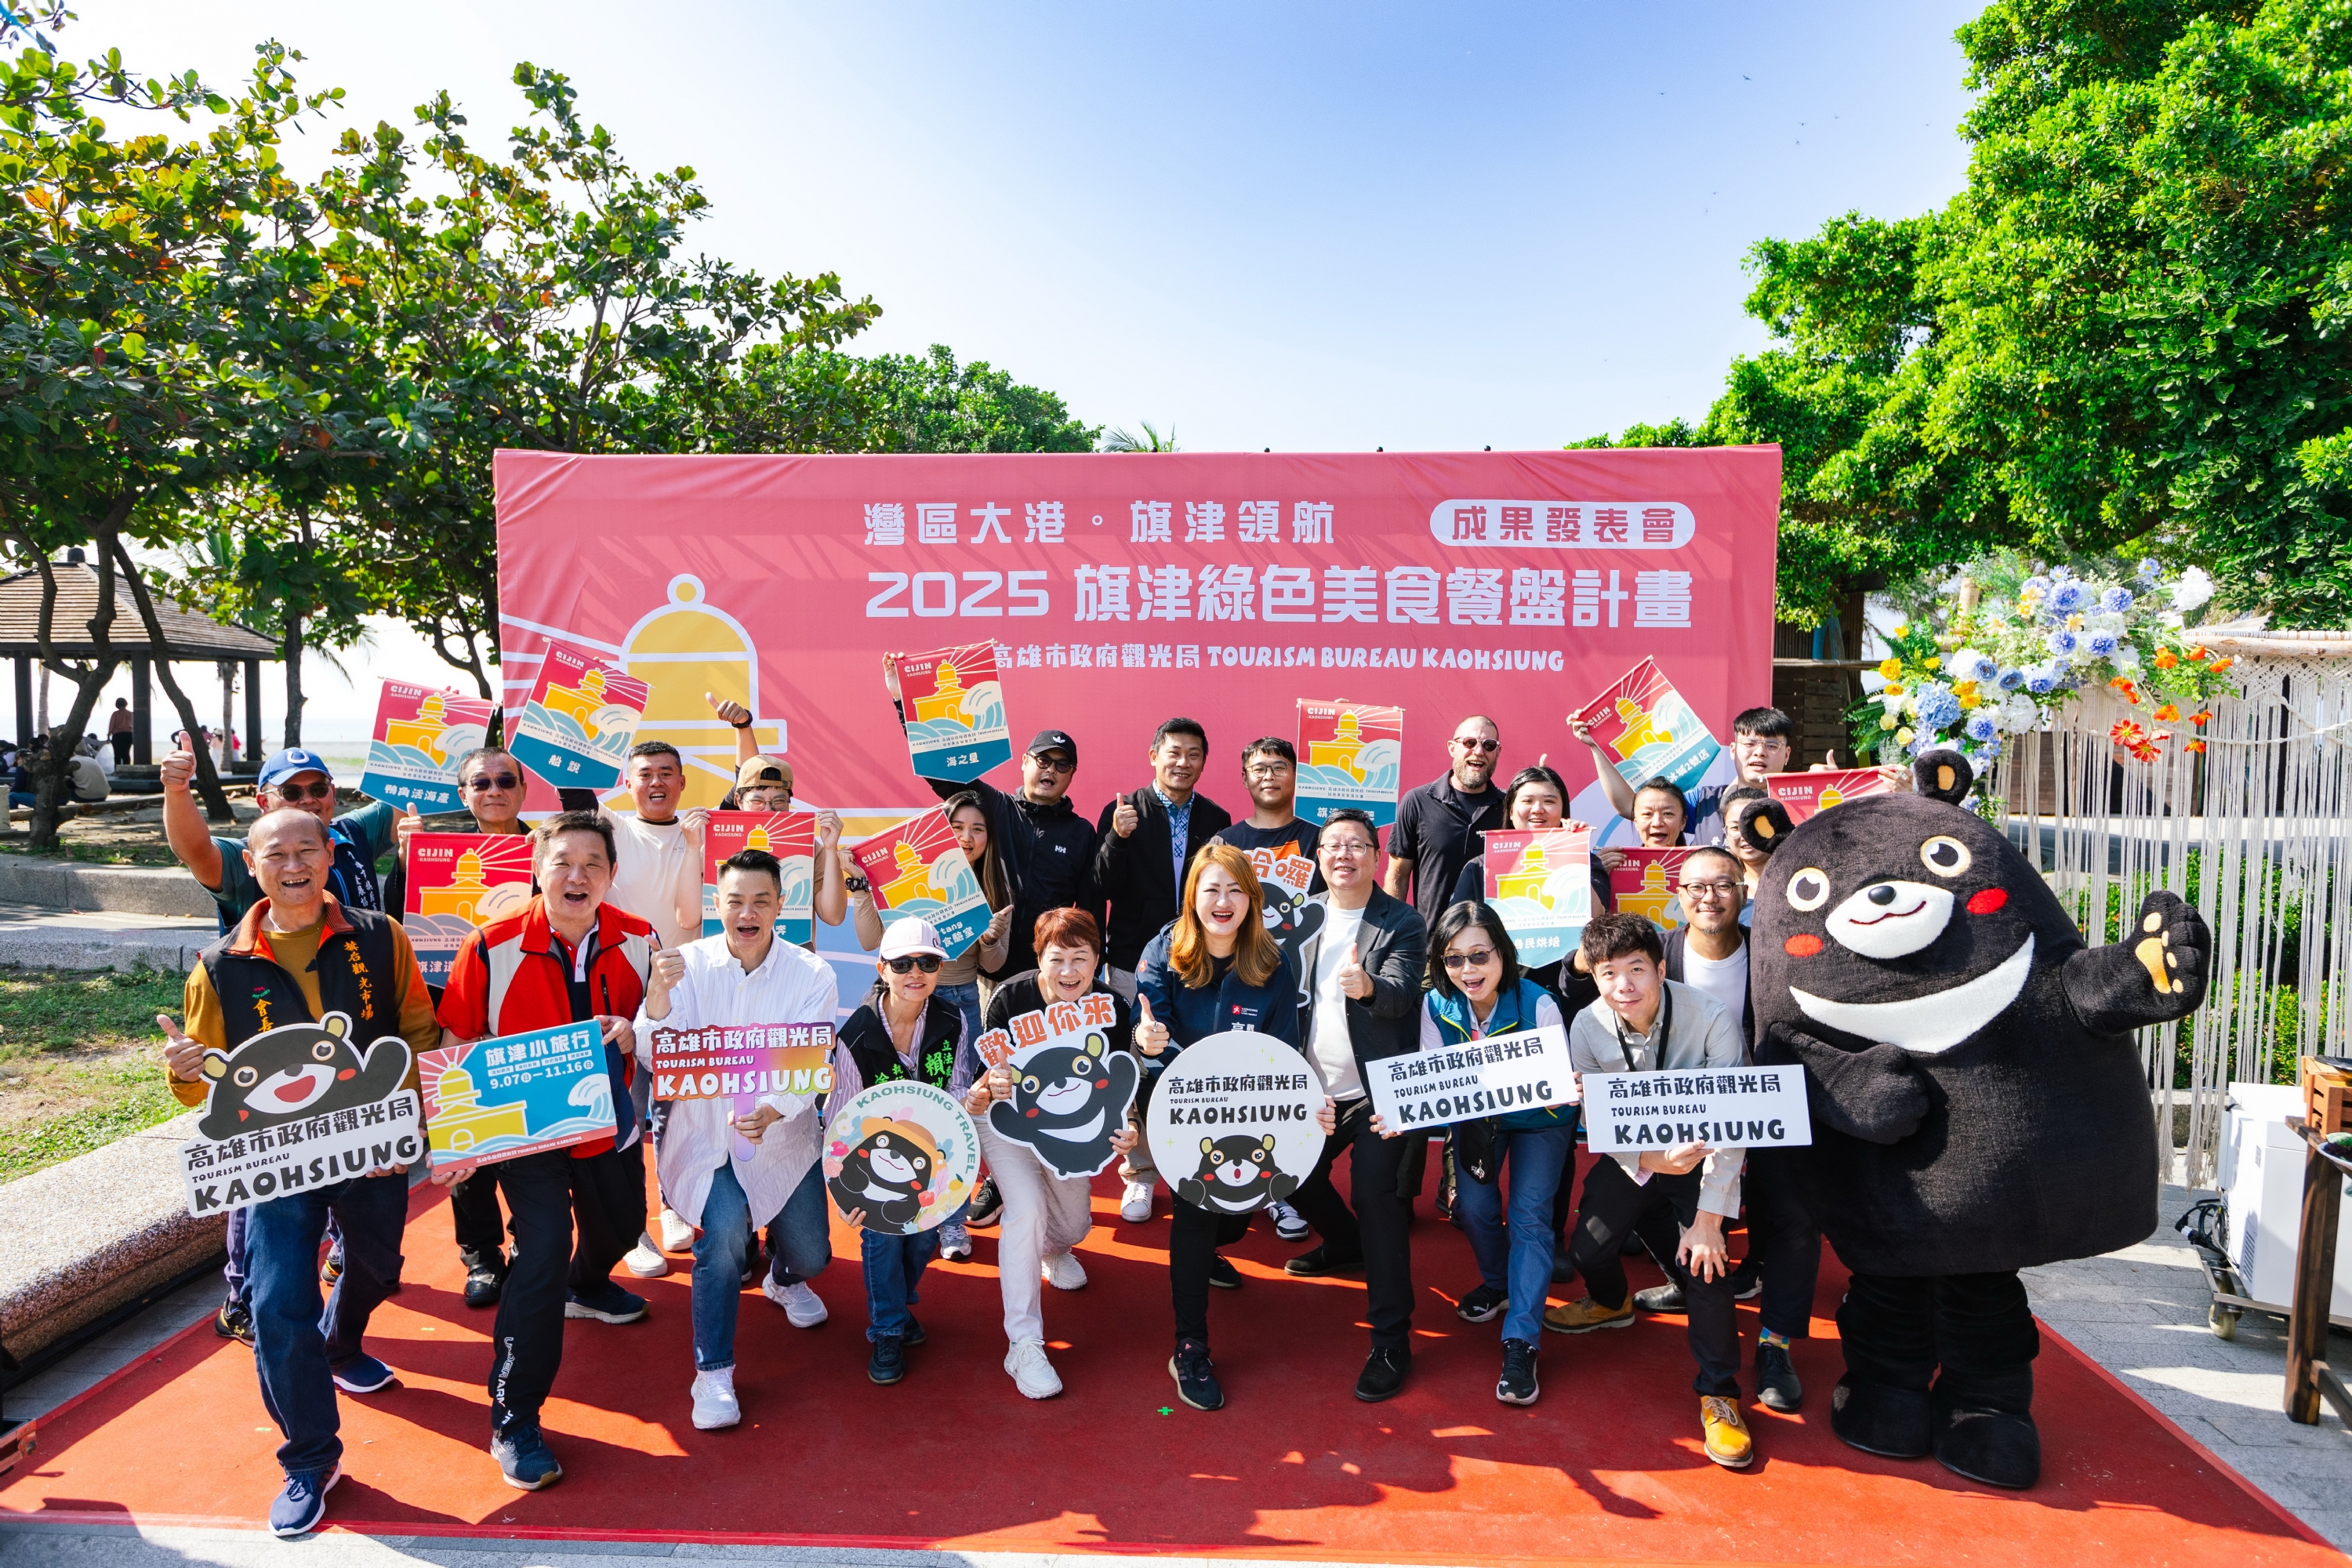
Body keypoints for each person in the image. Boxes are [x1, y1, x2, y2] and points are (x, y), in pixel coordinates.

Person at [158, 808, 439, 1537]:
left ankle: (340, 1341)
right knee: (280, 1303)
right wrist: (183, 1069)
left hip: (373, 1149)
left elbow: (416, 1030)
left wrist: (409, 1121)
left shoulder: (381, 936)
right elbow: (201, 1087)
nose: (293, 865)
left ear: (329, 856)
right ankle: (310, 1458)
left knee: (378, 1268)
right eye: (276, 854)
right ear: (251, 866)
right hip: (277, 1163)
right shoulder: (219, 966)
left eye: (307, 850)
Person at [432, 811, 655, 1491]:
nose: (577, 876)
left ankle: (585, 1286)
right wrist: (455, 1138)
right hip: (525, 1137)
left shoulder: (640, 938)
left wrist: (635, 1030)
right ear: (537, 868)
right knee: (542, 1252)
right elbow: (455, 1041)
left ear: (612, 875)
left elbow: (661, 1023)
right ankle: (514, 1419)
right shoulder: (490, 944)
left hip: (607, 1123)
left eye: (593, 864)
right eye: (563, 862)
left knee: (622, 1229)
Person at [635, 848, 840, 1430]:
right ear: (716, 903)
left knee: (813, 1255)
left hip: (782, 1141)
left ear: (781, 905)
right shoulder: (685, 965)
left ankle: (783, 1279)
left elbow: (812, 1061)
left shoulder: (813, 974)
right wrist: (657, 1001)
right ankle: (713, 1372)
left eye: (760, 901)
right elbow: (655, 1056)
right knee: (722, 1237)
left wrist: (774, 1109)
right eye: (735, 901)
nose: (747, 913)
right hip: (706, 1139)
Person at [1546, 912, 1754, 1469]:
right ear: (1595, 978)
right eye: (1609, 973)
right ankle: (1612, 1302)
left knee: (1707, 1266)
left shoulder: (1710, 1017)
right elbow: (1596, 1117)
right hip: (1636, 1155)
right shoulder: (1586, 1024)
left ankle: (1720, 1393)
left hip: (1704, 1156)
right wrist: (1647, 1159)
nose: (1624, 985)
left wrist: (1710, 1220)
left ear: (1661, 969)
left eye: (1636, 969)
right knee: (1588, 1250)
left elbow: (1734, 1122)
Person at [1133, 844, 1325, 1412]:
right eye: (1212, 889)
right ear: (1192, 895)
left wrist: (1302, 1106)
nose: (1223, 901)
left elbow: (1285, 1050)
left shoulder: (1273, 962)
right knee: (1196, 1214)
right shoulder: (1162, 951)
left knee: (1235, 1219)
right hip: (1182, 1109)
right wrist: (1146, 1042)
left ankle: (1207, 1254)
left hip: (1250, 1110)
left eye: (1236, 890)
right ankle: (1189, 1346)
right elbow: (1148, 1032)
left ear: (1253, 899)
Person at [1628, 848, 1815, 1414]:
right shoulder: (1657, 954)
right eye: (1696, 887)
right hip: (1682, 1112)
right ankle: (1684, 1280)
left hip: (1768, 1103)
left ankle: (1776, 1344)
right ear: (1678, 895)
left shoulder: (1774, 953)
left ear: (1744, 892)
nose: (1709, 897)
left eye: (1723, 885)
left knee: (1795, 1217)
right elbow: (1590, 980)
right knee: (1643, 1195)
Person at [1277, 809, 1428, 1402]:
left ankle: (1392, 1340)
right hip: (1308, 1089)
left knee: (1376, 1197)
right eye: (1333, 845)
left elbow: (1401, 995)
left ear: (1375, 856)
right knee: (1289, 1175)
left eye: (1357, 845)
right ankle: (1345, 1244)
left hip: (1377, 1092)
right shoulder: (1300, 917)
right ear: (1318, 858)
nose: (1344, 854)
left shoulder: (1402, 920)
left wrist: (1368, 989)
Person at [377, 746, 534, 1312]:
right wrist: (406, 860)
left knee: (533, 1138)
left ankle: (530, 1244)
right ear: (463, 794)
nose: (494, 791)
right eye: (480, 783)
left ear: (523, 790)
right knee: (464, 1135)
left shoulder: (549, 847)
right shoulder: (436, 850)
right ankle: (482, 1255)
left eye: (505, 780)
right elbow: (400, 920)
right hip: (457, 1012)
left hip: (529, 1010)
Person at [962, 907, 1137, 1399]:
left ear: (1098, 961)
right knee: (1027, 1209)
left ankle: (1054, 1249)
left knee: (1074, 1225)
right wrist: (987, 1089)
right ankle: (1023, 1343)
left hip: (1071, 1127)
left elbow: (1118, 1082)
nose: (1068, 971)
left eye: (1080, 958)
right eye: (1057, 958)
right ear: (1039, 958)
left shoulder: (1111, 1005)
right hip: (1009, 1120)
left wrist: (1129, 1128)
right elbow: (987, 1080)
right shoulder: (1010, 998)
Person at [1425, 902, 1576, 1407]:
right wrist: (1403, 1114)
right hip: (1477, 1119)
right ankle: (1499, 1283)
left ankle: (1521, 1341)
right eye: (1454, 959)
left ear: (1503, 954)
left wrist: (1567, 1086)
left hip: (1541, 1121)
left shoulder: (1539, 1003)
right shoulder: (1435, 1004)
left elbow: (1560, 1083)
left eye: (1479, 956)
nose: (1468, 970)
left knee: (1530, 1216)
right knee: (1472, 1208)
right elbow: (1431, 1078)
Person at [850, 789, 1011, 1262]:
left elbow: (992, 965)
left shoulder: (991, 886)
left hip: (961, 1004)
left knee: (955, 1117)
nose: (966, 837)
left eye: (977, 829)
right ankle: (891, 1200)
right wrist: (862, 894)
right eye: (956, 827)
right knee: (898, 1114)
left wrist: (992, 938)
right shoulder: (906, 878)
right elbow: (869, 941)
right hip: (902, 1004)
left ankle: (952, 1218)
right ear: (939, 831)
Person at [863, 666, 1095, 981]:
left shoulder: (1081, 832)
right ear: (1025, 762)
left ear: (1071, 774)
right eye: (1043, 760)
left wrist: (1089, 969)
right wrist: (903, 702)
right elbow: (941, 768)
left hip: (1050, 974)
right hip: (987, 969)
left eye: (1062, 764)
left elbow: (1088, 908)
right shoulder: (994, 806)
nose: (1051, 770)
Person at [1094, 717, 1232, 1221]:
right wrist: (1117, 837)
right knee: (1137, 1068)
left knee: (1196, 1066)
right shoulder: (1124, 810)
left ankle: (1202, 1166)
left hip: (1199, 960)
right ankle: (1140, 1174)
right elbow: (1101, 884)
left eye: (1193, 754)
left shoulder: (1217, 818)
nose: (1183, 762)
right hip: (1134, 960)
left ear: (1204, 762)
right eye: (1174, 752)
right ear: (1154, 755)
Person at [831, 917, 971, 1387]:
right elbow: (842, 1117)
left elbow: (957, 1088)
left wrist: (973, 1100)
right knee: (883, 1239)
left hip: (932, 1160)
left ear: (939, 969)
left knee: (924, 1240)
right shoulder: (856, 1034)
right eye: (903, 963)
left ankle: (899, 1305)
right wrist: (845, 1191)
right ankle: (887, 1329)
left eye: (927, 963)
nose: (916, 973)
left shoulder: (953, 1020)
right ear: (882, 969)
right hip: (874, 1165)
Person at [165, 746, 401, 929]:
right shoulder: (249, 857)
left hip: (362, 976)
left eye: (318, 789)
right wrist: (177, 791)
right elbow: (195, 850)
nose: (308, 800)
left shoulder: (354, 832)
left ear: (332, 793)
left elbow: (406, 795)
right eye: (291, 792)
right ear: (264, 802)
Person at [1572, 705, 1791, 847]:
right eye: (1750, 744)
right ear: (1733, 750)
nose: (1760, 752)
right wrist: (1596, 747)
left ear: (1787, 754)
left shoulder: (1799, 806)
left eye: (1772, 745)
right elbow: (1629, 806)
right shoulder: (1704, 801)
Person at [1385, 715, 1506, 929]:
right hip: (1431, 942)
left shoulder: (1510, 807)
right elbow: (1398, 875)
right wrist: (1390, 933)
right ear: (1452, 748)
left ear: (1498, 751)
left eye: (1488, 745)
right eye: (1469, 743)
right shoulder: (1417, 801)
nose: (1479, 751)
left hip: (1492, 942)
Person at [106, 698, 133, 768]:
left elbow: (111, 725)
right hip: (129, 735)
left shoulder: (115, 714)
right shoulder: (130, 714)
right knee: (126, 753)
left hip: (118, 735)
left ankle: (118, 769)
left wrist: (108, 736)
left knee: (117, 754)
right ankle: (127, 768)